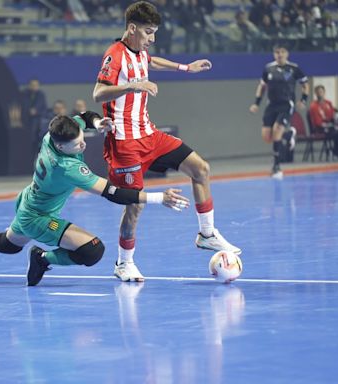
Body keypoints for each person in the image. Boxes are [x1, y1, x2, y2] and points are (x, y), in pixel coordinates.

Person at [0, 111, 189, 286]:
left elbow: (83, 116)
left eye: (83, 138)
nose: (83, 145)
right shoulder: (65, 167)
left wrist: (96, 122)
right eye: (76, 145)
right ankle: (42, 258)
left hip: (29, 201)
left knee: (9, 245)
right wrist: (159, 198)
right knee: (92, 251)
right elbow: (113, 193)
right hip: (39, 217)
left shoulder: (53, 135)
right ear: (62, 148)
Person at [92, 1, 241, 283]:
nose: (152, 39)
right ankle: (124, 264)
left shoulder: (140, 53)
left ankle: (207, 234)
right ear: (132, 28)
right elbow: (98, 92)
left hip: (150, 135)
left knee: (201, 169)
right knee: (135, 206)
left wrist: (186, 68)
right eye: (149, 32)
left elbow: (152, 61)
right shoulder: (115, 54)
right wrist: (133, 85)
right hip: (125, 144)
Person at [249, 43, 309, 178]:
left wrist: (303, 99)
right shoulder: (268, 68)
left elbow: (305, 84)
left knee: (277, 131)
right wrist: (256, 103)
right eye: (277, 52)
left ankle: (276, 166)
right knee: (266, 137)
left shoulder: (294, 68)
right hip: (272, 105)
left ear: (287, 53)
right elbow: (262, 86)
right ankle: (288, 135)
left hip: (286, 104)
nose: (279, 55)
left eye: (282, 52)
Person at [308, 84, 338, 160]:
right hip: (319, 128)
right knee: (337, 132)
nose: (320, 94)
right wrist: (328, 124)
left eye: (321, 92)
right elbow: (318, 122)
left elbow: (332, 116)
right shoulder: (313, 106)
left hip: (330, 125)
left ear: (324, 92)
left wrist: (336, 118)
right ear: (316, 93)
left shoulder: (328, 103)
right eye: (318, 92)